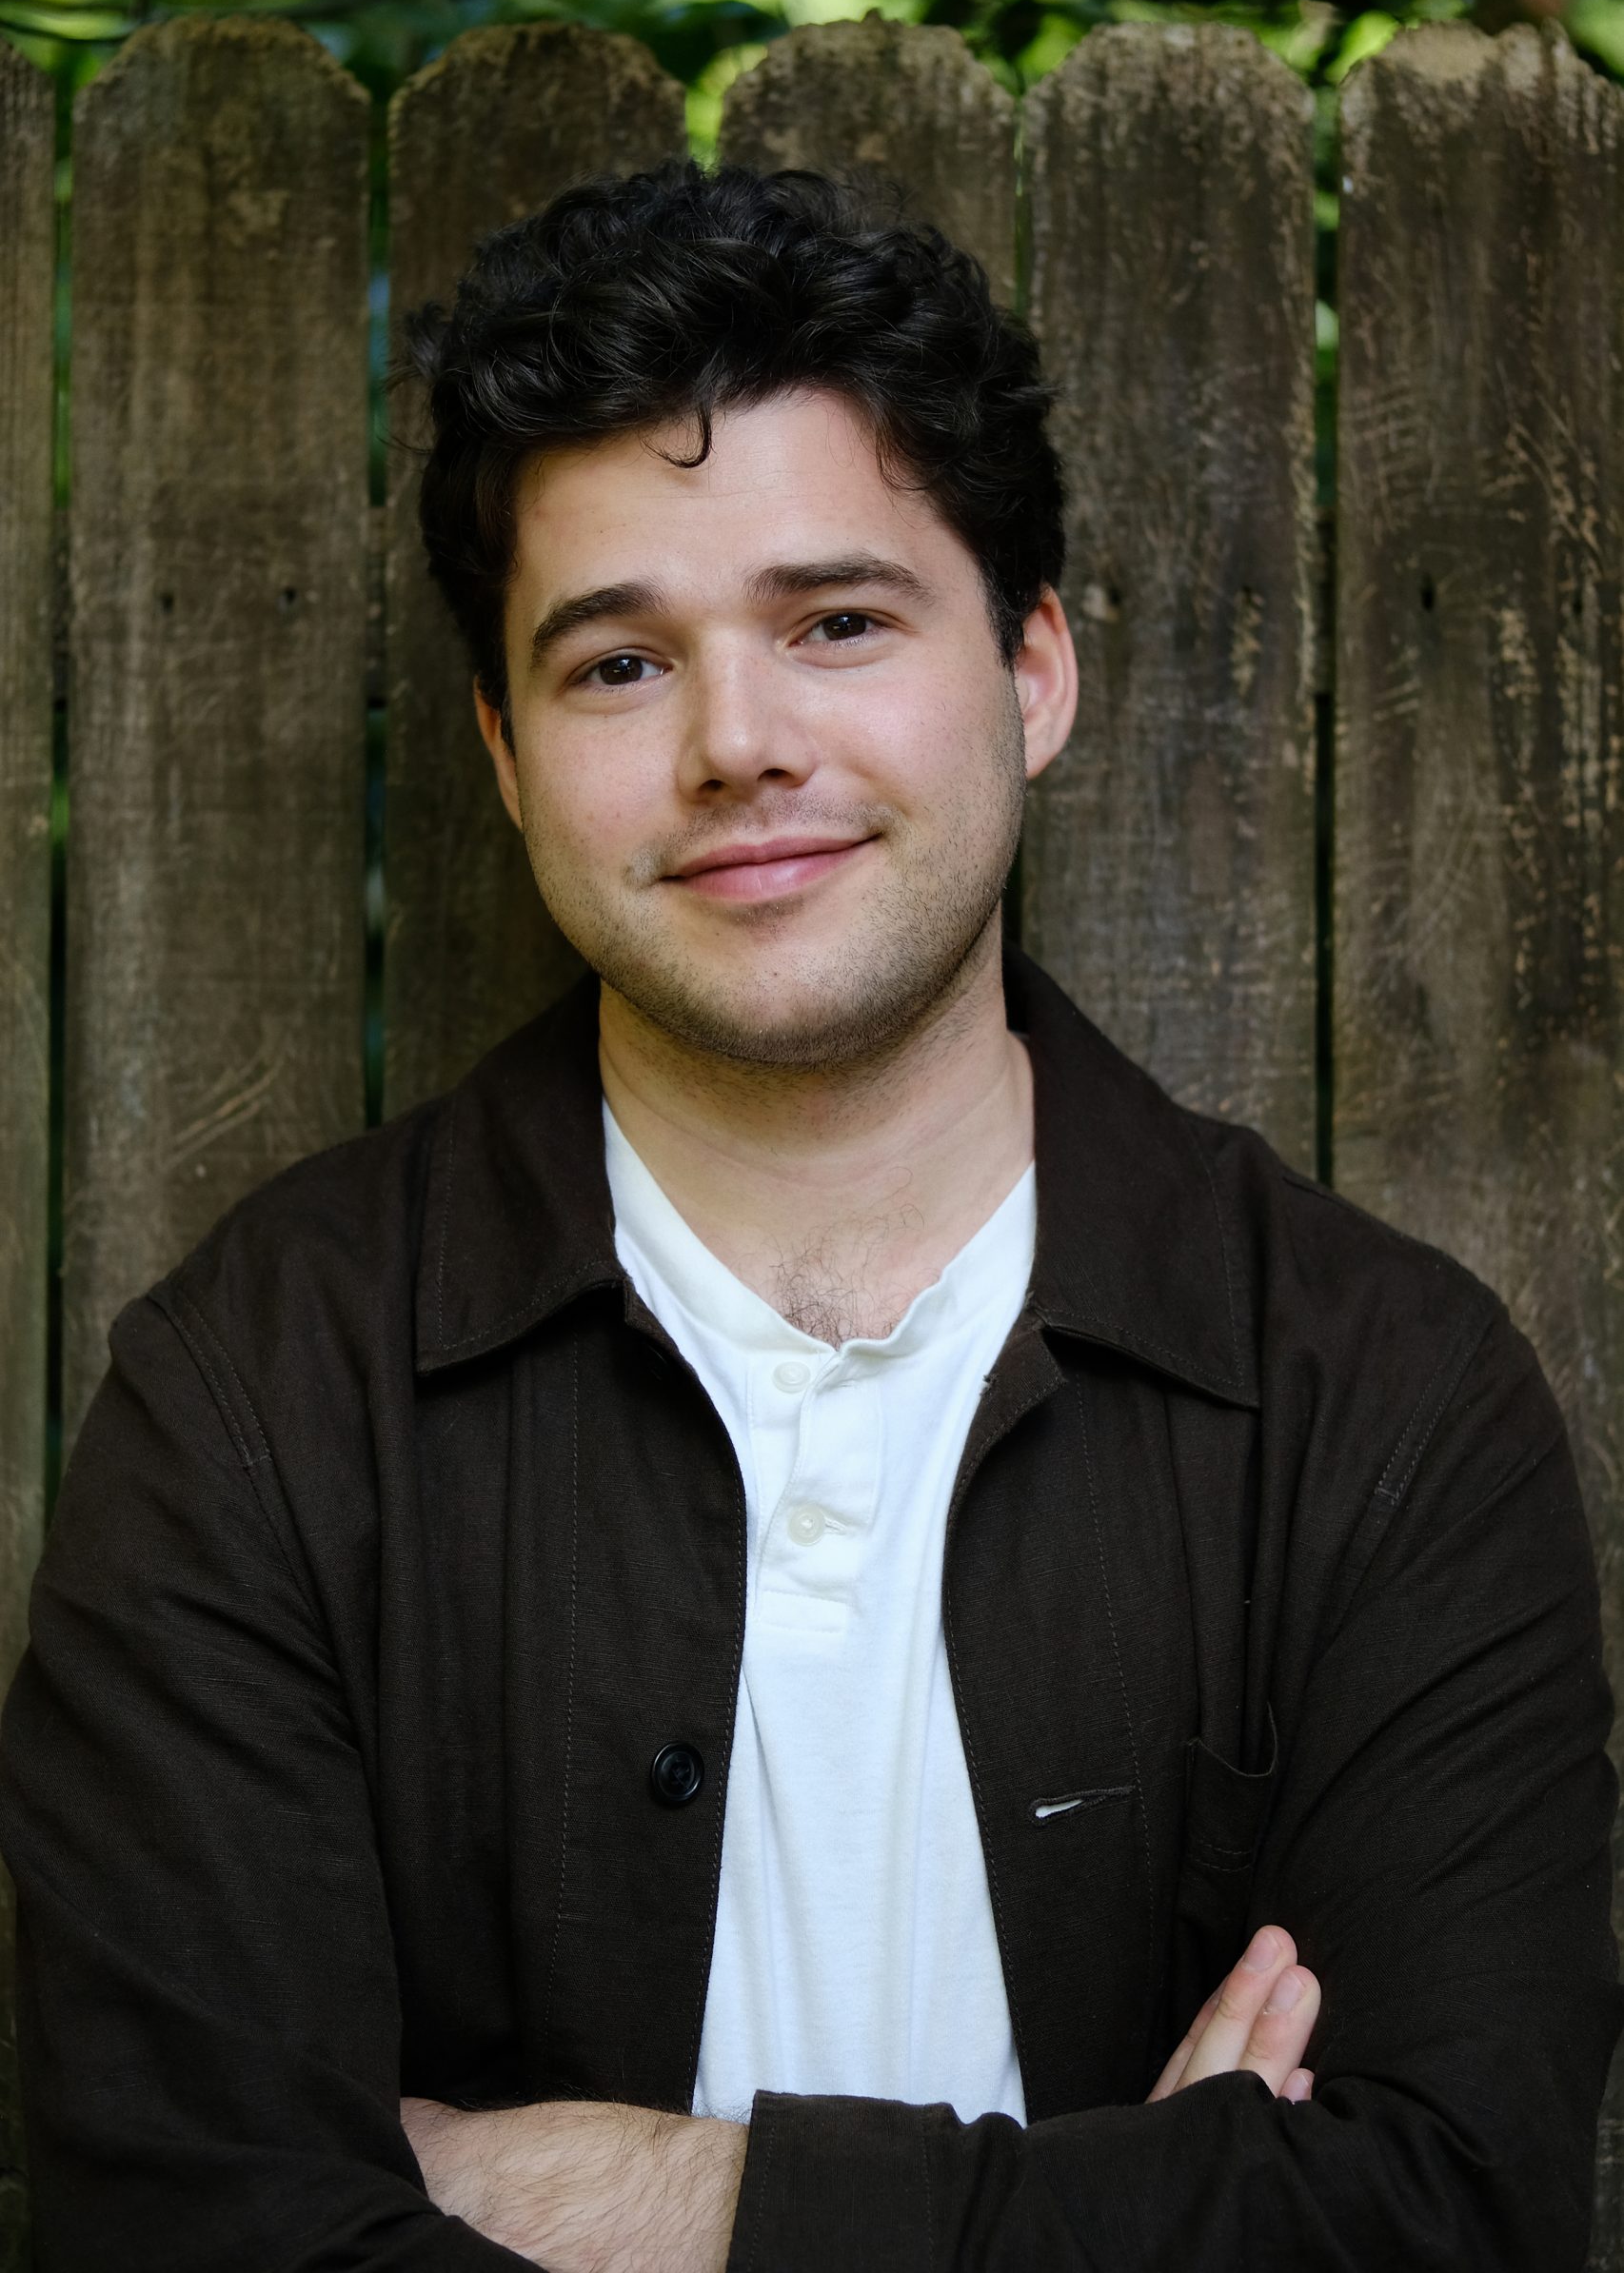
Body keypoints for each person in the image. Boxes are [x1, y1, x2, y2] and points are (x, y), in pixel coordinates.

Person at [1, 158, 1619, 2273]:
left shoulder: (1376, 1394)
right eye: (614, 666)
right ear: (502, 753)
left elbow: (1444, 2216)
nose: (736, 743)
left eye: (836, 621)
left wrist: (643, 2189)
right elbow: (184, 2223)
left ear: (1030, 669)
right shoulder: (256, 1398)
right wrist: (1139, 2208)